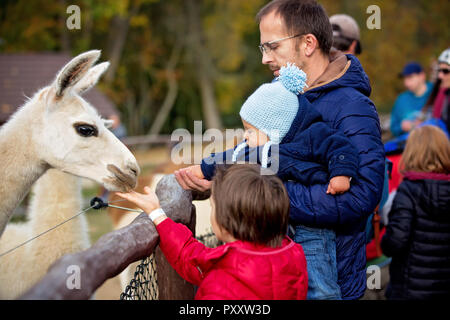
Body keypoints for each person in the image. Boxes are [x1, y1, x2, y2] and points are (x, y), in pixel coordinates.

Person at [176, 0, 385, 300]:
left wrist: (271, 197)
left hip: (328, 282)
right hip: (280, 276)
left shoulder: (352, 107)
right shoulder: (288, 97)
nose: (265, 59)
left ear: (308, 43)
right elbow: (261, 149)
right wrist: (211, 169)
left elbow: (362, 195)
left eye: (272, 46)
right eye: (263, 48)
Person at [197, 63, 360, 299]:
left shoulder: (313, 136)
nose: (245, 136)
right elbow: (232, 156)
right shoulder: (260, 150)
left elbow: (341, 147)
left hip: (313, 230)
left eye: (250, 130)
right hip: (282, 227)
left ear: (275, 131)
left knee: (319, 285)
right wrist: (204, 167)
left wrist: (340, 174)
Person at [116, 164, 309, 300]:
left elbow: (198, 262)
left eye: (212, 206)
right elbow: (191, 256)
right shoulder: (293, 254)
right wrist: (158, 215)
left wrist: (157, 215)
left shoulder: (220, 283)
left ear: (225, 222)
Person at [381, 125, 450, 300]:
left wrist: (384, 242)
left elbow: (396, 241)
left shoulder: (408, 191)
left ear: (411, 152)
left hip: (410, 287)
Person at [390, 62, 433, 137]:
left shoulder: (436, 92)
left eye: (410, 77)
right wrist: (402, 127)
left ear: (422, 76)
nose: (406, 83)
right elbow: (393, 127)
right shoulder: (401, 99)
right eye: (405, 78)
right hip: (407, 143)